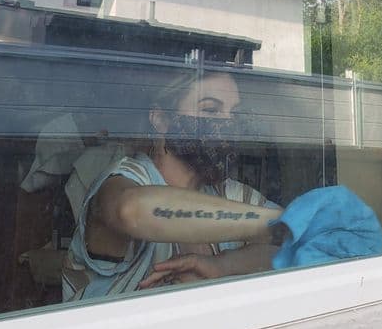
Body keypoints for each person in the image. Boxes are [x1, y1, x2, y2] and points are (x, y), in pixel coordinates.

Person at [61, 70, 281, 301]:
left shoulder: (226, 192)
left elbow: (291, 241)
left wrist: (223, 264)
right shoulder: (125, 181)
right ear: (160, 120)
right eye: (210, 110)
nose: (227, 123)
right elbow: (131, 210)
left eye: (233, 113)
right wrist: (273, 222)